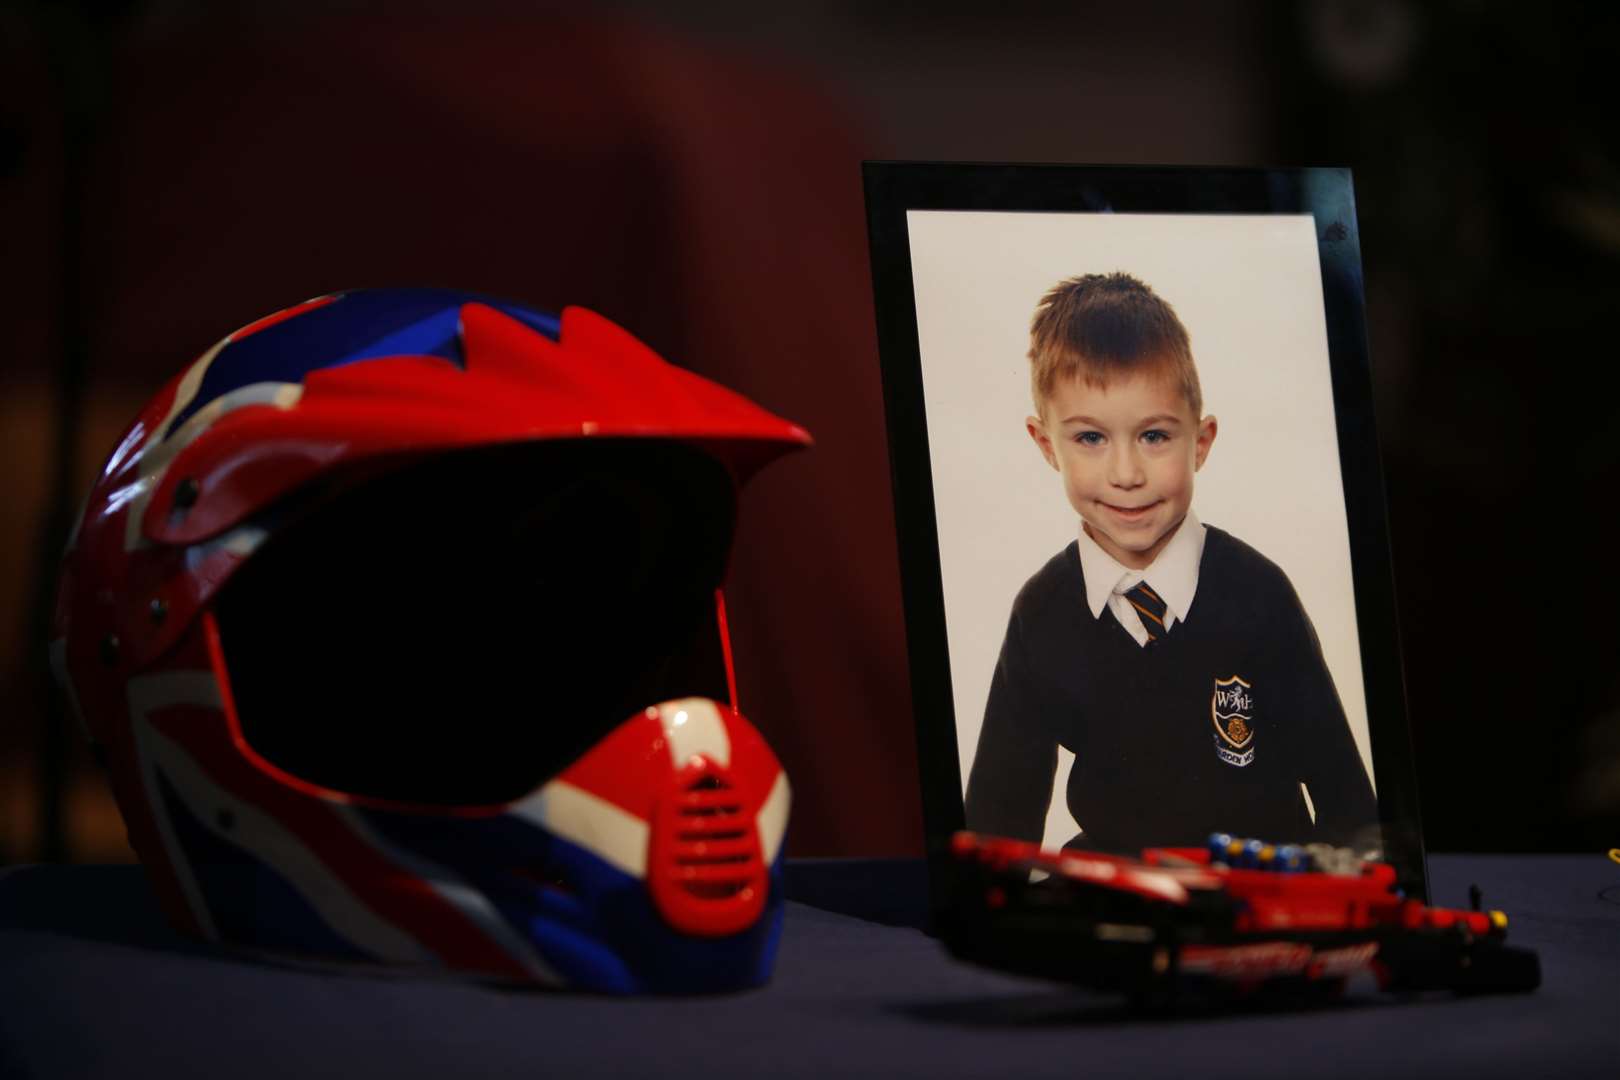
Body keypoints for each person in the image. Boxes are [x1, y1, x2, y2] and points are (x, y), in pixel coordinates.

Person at [963, 273, 1379, 853]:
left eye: (1154, 435)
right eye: (1090, 438)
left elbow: (1346, 800)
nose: (1127, 474)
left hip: (1253, 892)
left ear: (1200, 441)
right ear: (1044, 444)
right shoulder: (1042, 613)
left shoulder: (1259, 594)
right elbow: (998, 821)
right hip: (1120, 896)